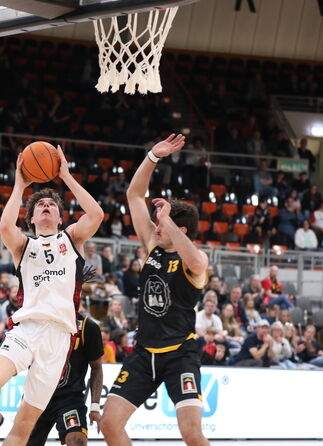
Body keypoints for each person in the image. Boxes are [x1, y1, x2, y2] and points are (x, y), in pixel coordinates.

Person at [0, 145, 102, 446]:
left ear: (61, 218)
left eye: (52, 204)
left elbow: (96, 214)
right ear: (32, 218)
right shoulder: (24, 246)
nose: (47, 205)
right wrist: (19, 184)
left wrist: (66, 175)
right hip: (27, 329)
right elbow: (4, 226)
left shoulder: (72, 239)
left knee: (22, 431)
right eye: (40, 205)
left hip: (60, 339)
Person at [101, 134, 210, 446]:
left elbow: (195, 261)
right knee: (110, 424)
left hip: (180, 355)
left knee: (191, 434)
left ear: (181, 229)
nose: (155, 225)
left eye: (162, 222)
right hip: (144, 352)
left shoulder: (196, 259)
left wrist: (169, 223)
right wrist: (152, 157)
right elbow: (134, 196)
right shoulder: (152, 246)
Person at [27, 313, 104, 446]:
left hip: (69, 399)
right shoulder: (36, 320)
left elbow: (96, 367)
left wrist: (95, 407)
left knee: (76, 441)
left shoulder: (87, 327)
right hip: (37, 396)